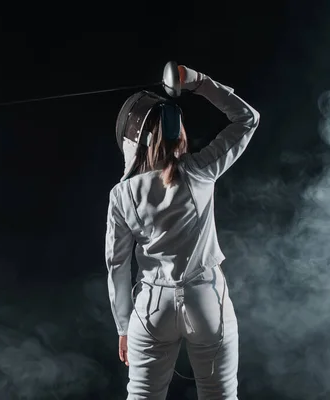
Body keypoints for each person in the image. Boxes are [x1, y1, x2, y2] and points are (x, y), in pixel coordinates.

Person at [105, 65, 260, 399]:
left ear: (134, 142)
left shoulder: (122, 194)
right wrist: (197, 81)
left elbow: (117, 265)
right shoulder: (200, 171)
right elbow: (247, 119)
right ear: (177, 130)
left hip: (151, 309)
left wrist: (122, 327)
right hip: (206, 301)